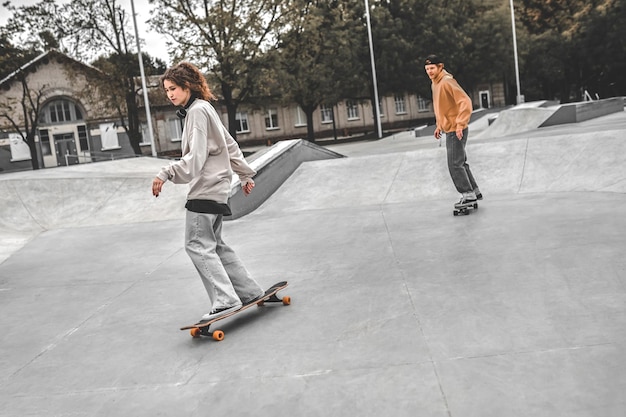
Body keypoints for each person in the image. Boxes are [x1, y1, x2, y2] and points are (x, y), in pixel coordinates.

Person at [152, 62, 264, 321]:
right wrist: (245, 173)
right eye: (167, 90)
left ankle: (225, 299)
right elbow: (230, 145)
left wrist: (166, 172)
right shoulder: (206, 109)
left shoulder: (196, 113)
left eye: (174, 89)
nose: (170, 95)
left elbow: (196, 158)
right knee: (216, 245)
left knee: (196, 245)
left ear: (188, 86)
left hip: (204, 189)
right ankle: (249, 291)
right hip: (219, 188)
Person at [425, 54, 482, 208]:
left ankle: (468, 195)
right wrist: (439, 125)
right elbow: (441, 107)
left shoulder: (447, 82)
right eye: (427, 69)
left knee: (454, 164)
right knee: (461, 162)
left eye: (432, 68)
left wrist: (460, 123)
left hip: (456, 130)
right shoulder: (434, 84)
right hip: (448, 128)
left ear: (440, 67)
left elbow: (465, 101)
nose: (429, 71)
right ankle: (474, 191)